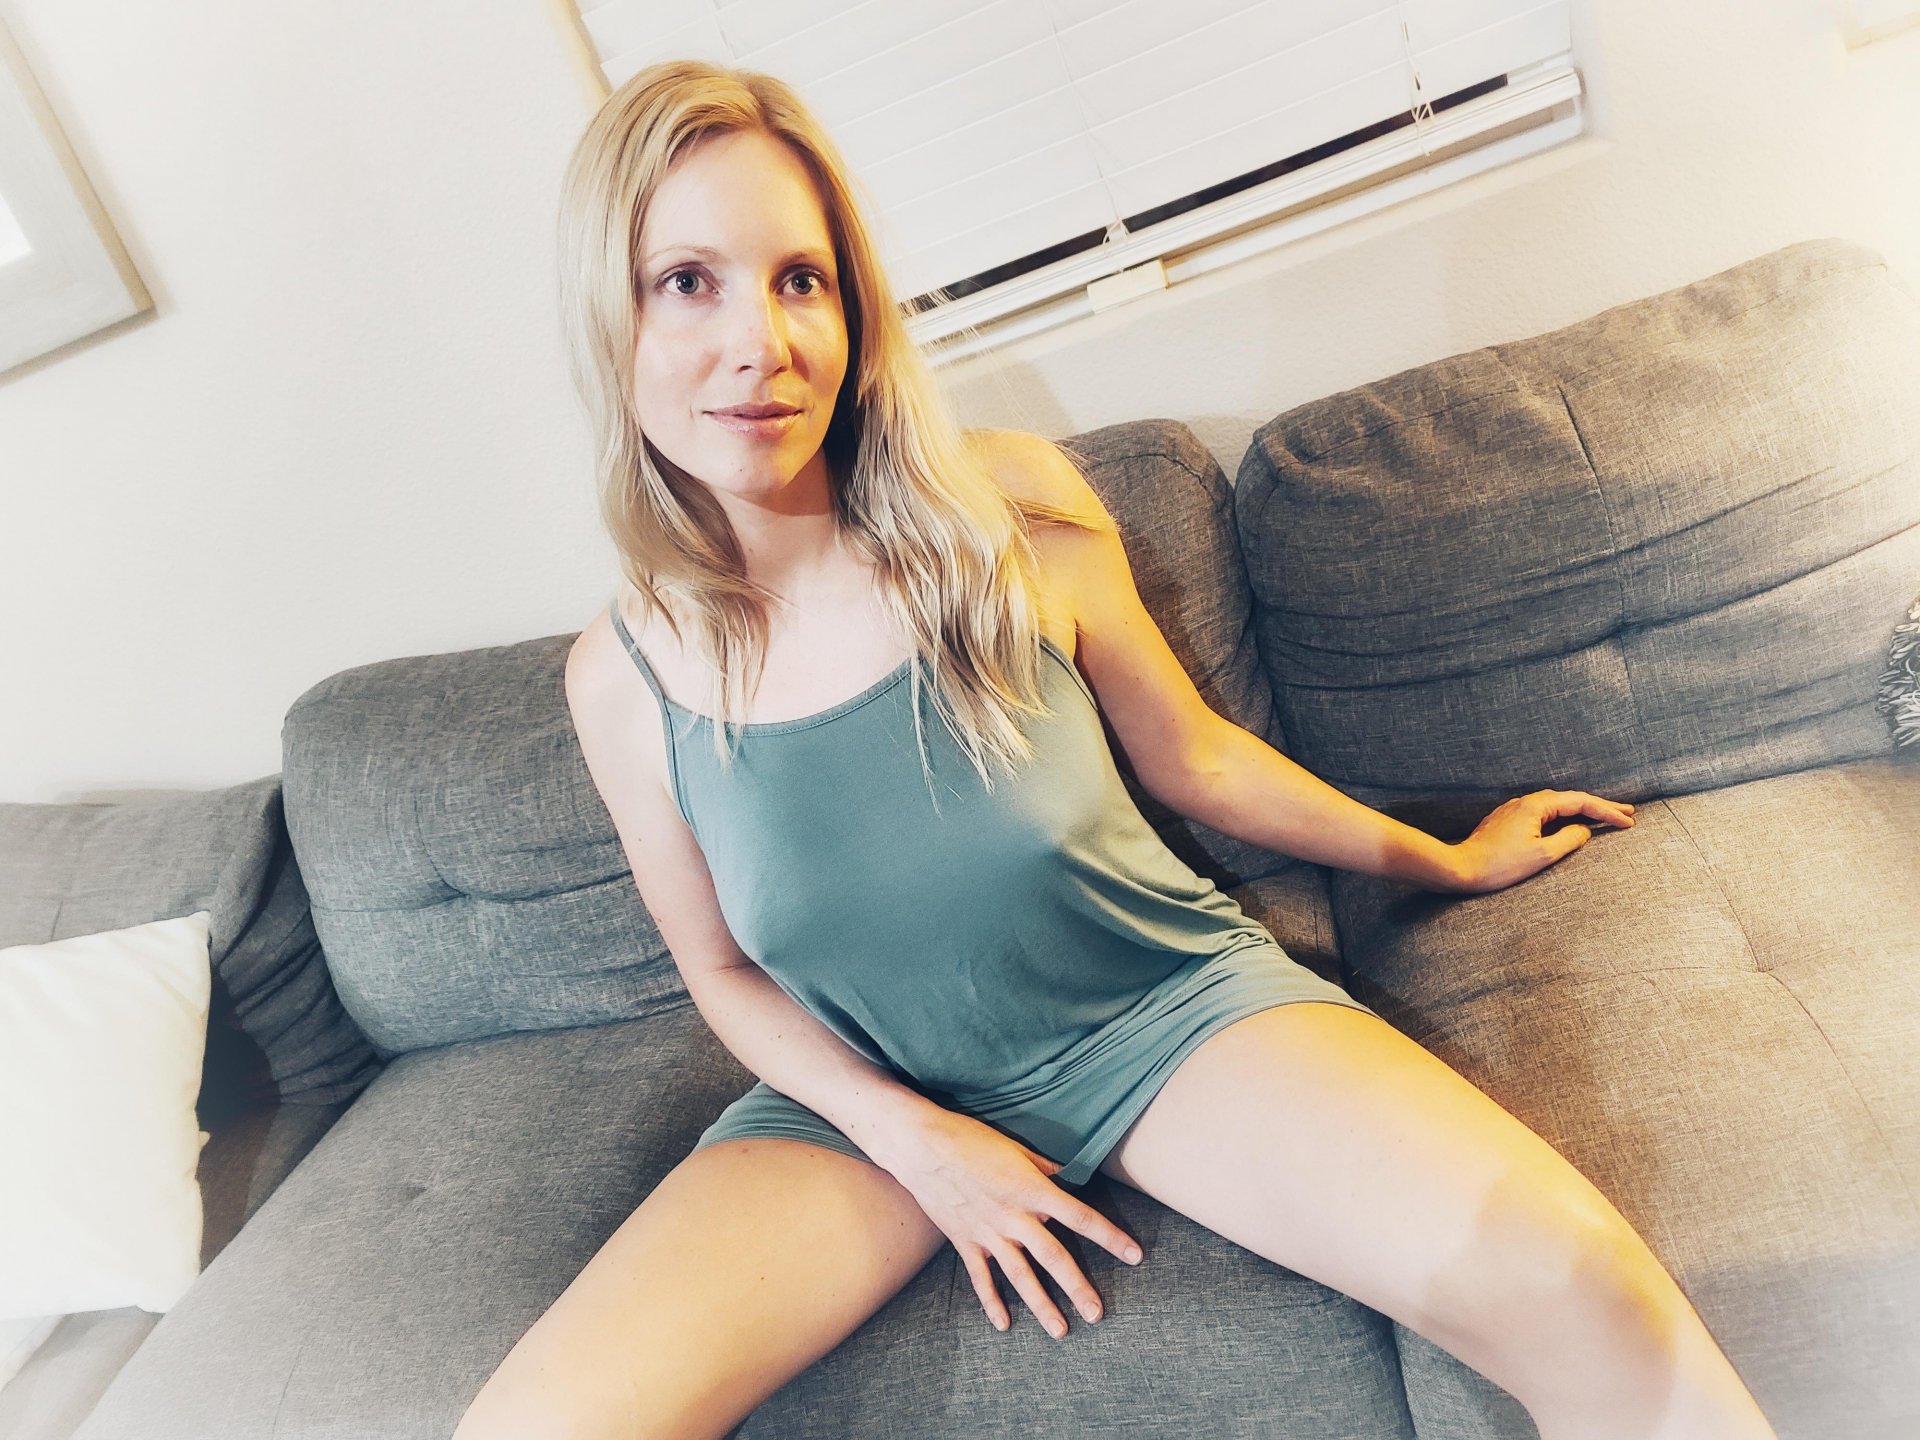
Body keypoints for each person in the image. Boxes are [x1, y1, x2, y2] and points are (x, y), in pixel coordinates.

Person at [453, 58, 1778, 1440]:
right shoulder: (621, 679)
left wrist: (1441, 858)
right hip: (861, 1105)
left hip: (1156, 1018)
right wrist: (921, 1143)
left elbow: (1199, 759)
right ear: (610, 318)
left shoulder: (1008, 514)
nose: (762, 342)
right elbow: (722, 971)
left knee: (1587, 1292)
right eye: (688, 282)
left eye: (802, 280)